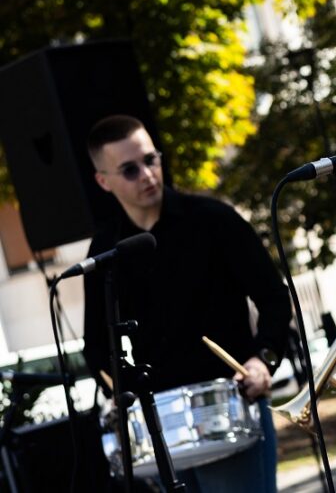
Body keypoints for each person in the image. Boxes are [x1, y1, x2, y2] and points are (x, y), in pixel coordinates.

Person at [83, 114, 289, 492]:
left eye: (151, 160)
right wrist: (122, 390)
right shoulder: (106, 250)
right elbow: (95, 344)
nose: (147, 175)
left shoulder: (214, 220)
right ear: (103, 181)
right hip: (160, 427)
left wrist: (264, 359)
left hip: (229, 405)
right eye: (129, 169)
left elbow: (274, 298)